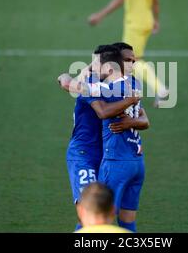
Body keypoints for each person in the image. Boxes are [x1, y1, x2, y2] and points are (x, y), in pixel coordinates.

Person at [57, 45, 140, 231]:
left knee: (103, 214)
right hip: (83, 155)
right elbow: (101, 110)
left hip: (107, 155)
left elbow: (143, 117)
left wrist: (132, 121)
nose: (92, 66)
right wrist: (65, 77)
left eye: (96, 62)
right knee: (90, 213)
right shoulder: (92, 84)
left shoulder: (121, 84)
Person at [88, 0, 169, 107]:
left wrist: (100, 15)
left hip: (135, 22)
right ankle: (134, 90)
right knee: (134, 59)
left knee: (133, 60)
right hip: (146, 20)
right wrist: (155, 20)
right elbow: (155, 0)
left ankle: (160, 89)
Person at [86, 47, 150, 232]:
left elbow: (74, 87)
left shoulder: (110, 89)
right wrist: (132, 120)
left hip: (116, 161)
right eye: (130, 60)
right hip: (137, 162)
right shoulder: (133, 84)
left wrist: (68, 79)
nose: (133, 63)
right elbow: (145, 120)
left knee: (100, 220)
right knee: (127, 221)